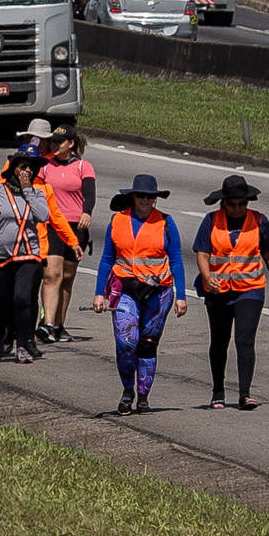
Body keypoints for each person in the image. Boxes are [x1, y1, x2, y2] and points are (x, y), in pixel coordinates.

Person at [193, 174, 269, 410]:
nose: (237, 208)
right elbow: (202, 253)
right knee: (219, 340)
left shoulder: (259, 221)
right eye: (232, 204)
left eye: (242, 204)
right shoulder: (211, 221)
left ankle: (245, 393)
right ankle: (218, 391)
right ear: (224, 203)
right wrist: (207, 277)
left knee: (244, 339)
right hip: (218, 291)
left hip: (250, 290)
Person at [92, 173, 185, 414]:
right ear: (133, 197)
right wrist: (99, 294)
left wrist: (182, 296)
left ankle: (143, 395)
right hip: (125, 290)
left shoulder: (166, 222)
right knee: (126, 343)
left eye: (150, 197)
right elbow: (106, 259)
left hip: (158, 293)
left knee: (147, 344)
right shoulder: (118, 221)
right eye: (141, 196)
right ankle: (127, 391)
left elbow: (176, 259)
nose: (146, 200)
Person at [0, 147, 75, 362]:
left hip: (29, 254)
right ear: (13, 168)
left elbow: (44, 215)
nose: (27, 172)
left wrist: (28, 190)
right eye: (23, 167)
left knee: (23, 298)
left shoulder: (39, 192)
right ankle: (1, 336)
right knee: (4, 303)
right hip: (2, 254)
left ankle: (23, 342)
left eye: (31, 169)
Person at [37, 126, 96, 342]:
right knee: (52, 275)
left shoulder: (83, 166)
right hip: (52, 226)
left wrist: (87, 213)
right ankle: (47, 324)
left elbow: (89, 194)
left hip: (75, 227)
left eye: (59, 142)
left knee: (67, 278)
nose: (54, 146)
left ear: (70, 144)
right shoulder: (45, 166)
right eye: (53, 142)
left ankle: (59, 324)